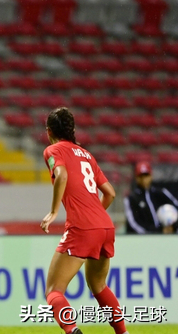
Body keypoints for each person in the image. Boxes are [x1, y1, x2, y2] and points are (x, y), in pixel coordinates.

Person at [39, 107, 128, 334]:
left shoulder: (52, 150)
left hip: (82, 227)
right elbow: (111, 193)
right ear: (73, 130)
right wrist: (94, 216)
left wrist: (53, 211)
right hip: (105, 226)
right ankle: (123, 333)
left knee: (53, 290)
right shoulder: (86, 154)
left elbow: (62, 175)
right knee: (98, 286)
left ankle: (72, 330)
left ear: (49, 131)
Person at [124, 161, 178, 234]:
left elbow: (175, 206)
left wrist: (173, 226)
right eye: (141, 176)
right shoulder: (132, 198)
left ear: (151, 176)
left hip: (166, 237)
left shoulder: (161, 193)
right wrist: (154, 233)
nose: (144, 179)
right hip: (144, 240)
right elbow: (133, 223)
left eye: (146, 175)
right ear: (136, 178)